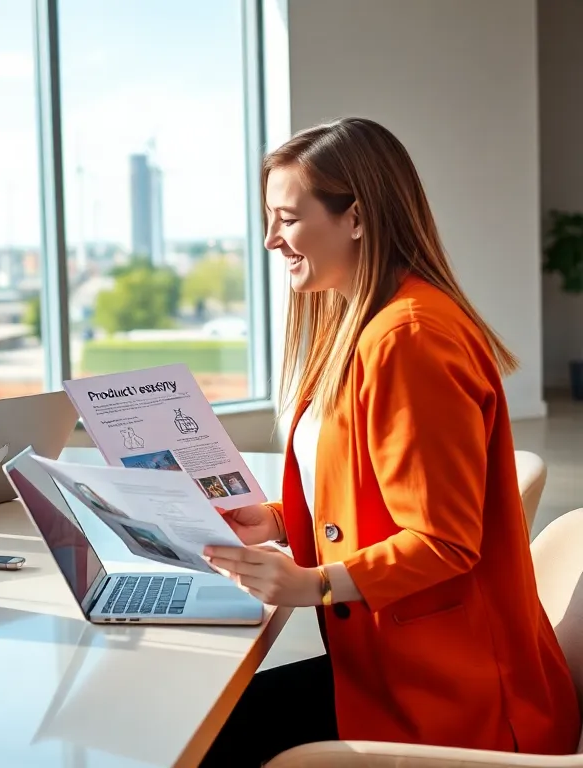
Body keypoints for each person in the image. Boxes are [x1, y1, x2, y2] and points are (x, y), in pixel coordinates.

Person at [199, 117, 580, 763]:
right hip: (394, 667)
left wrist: (313, 585)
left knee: (207, 740)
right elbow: (371, 488)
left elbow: (443, 539)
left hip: (451, 699)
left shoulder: (410, 339)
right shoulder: (364, 324)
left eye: (287, 218)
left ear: (355, 218)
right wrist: (278, 520)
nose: (270, 239)